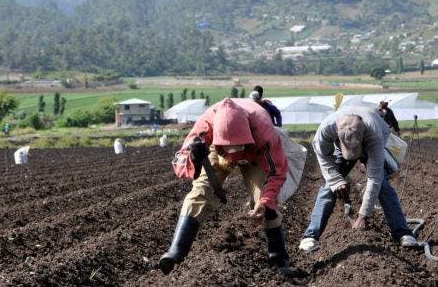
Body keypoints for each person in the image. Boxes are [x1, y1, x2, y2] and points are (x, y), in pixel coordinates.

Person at [160, 98, 292, 276]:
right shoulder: (205, 126)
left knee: (264, 200)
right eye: (230, 148)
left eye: (237, 147)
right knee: (200, 192)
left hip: (254, 152)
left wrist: (266, 200)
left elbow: (276, 172)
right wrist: (194, 157)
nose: (235, 154)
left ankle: (279, 258)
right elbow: (180, 162)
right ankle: (176, 251)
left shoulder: (264, 132)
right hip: (217, 149)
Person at [298, 106, 417, 252]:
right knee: (328, 188)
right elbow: (322, 155)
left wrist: (363, 215)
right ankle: (310, 236)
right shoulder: (327, 129)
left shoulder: (374, 134)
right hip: (340, 148)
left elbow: (375, 177)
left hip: (372, 144)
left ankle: (403, 232)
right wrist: (335, 180)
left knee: (383, 186)